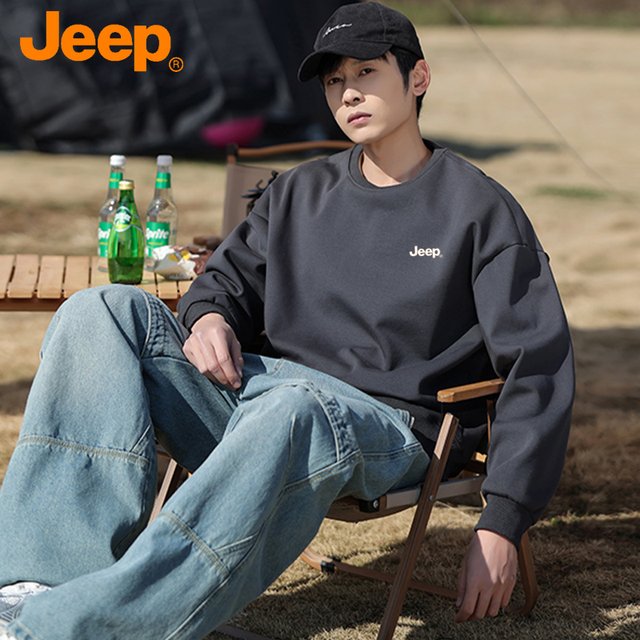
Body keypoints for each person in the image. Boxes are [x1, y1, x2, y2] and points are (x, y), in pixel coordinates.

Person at [0, 3, 574, 639]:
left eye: (366, 71)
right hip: (264, 398)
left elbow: (538, 368)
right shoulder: (298, 192)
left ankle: (75, 628)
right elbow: (224, 281)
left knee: (295, 404)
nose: (348, 92)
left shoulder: (479, 209)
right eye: (334, 80)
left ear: (418, 78)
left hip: (387, 427)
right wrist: (210, 317)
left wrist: (502, 521)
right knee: (100, 308)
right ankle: (34, 586)